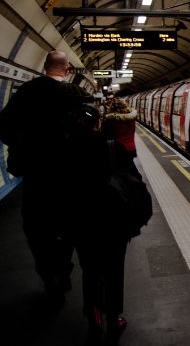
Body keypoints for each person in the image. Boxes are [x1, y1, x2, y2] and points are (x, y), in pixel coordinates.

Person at [0, 50, 90, 306]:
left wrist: (21, 145)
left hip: (36, 176)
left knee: (37, 228)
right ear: (69, 69)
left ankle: (48, 273)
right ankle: (63, 268)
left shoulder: (26, 92)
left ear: (44, 65)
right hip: (71, 178)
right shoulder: (76, 95)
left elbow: (4, 125)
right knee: (69, 225)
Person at [62, 103, 131, 343]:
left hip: (80, 223)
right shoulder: (111, 147)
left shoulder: (61, 150)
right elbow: (134, 186)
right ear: (97, 123)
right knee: (114, 271)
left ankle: (94, 316)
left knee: (90, 270)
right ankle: (114, 318)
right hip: (112, 222)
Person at [101, 98, 139, 172]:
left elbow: (106, 134)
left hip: (116, 149)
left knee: (120, 169)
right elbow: (133, 131)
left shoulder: (110, 120)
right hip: (130, 147)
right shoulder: (130, 118)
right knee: (129, 167)